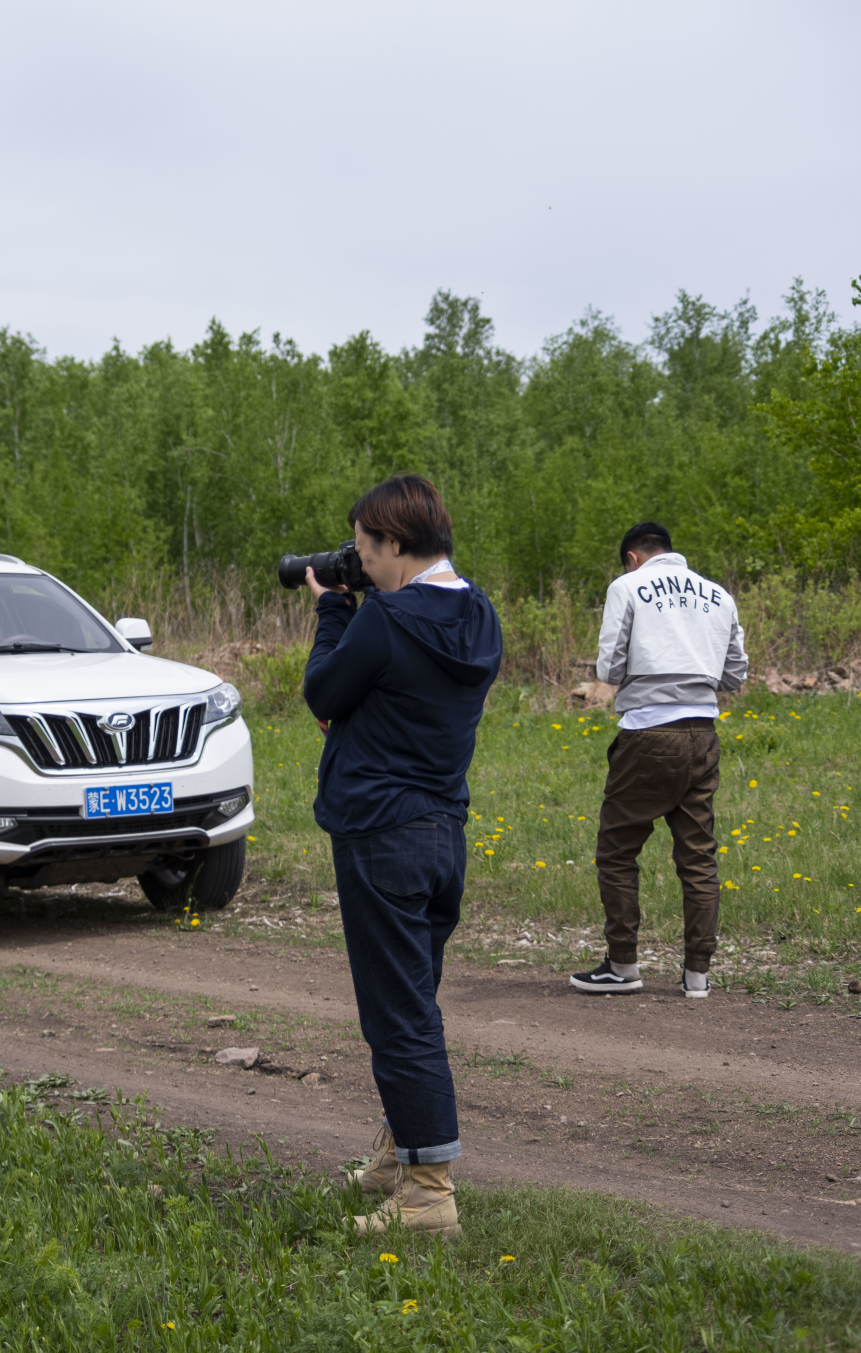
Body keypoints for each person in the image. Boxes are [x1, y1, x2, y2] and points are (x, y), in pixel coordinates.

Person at [300, 474, 503, 1237]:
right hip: (442, 835)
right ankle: (398, 1153)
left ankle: (426, 1196)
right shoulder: (479, 614)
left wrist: (330, 608)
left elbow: (323, 693)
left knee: (401, 1017)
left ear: (394, 544)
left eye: (363, 549)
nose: (359, 563)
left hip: (383, 834)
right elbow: (400, 699)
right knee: (408, 1002)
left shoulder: (383, 619)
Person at [571, 522, 747, 999]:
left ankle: (624, 966)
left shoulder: (627, 587)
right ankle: (697, 976)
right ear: (669, 551)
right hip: (702, 734)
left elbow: (608, 669)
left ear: (632, 557)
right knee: (698, 856)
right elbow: (734, 674)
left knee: (618, 850)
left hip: (648, 732)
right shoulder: (719, 595)